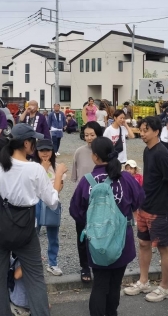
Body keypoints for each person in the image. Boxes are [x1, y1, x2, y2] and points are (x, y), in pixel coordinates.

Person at [0, 123, 67, 316]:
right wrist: (57, 177)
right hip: (25, 232)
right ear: (26, 143)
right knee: (35, 279)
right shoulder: (35, 169)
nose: (35, 144)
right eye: (33, 141)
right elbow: (51, 201)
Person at [70, 137, 145, 316]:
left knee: (100, 284)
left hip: (96, 242)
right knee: (114, 285)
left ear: (95, 157)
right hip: (121, 240)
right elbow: (139, 200)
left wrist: (92, 223)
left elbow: (75, 210)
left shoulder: (87, 181)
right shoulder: (125, 178)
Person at [124, 116, 168, 303]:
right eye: (141, 129)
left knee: (164, 247)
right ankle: (143, 281)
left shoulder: (162, 153)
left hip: (160, 209)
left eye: (146, 130)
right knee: (144, 244)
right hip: (144, 206)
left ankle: (164, 287)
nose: (143, 133)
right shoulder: (148, 151)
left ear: (156, 131)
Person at [71, 121, 104, 282]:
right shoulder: (78, 152)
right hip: (83, 200)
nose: (89, 138)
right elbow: (75, 178)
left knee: (100, 234)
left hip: (102, 202)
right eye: (86, 135)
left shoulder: (105, 152)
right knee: (82, 235)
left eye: (92, 135)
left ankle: (99, 263)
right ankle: (85, 266)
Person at [35, 138, 67, 276]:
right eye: (41, 150)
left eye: (47, 150)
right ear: (37, 152)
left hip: (53, 203)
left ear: (52, 151)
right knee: (32, 235)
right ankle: (33, 263)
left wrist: (54, 173)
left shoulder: (58, 168)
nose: (45, 153)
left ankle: (52, 263)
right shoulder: (32, 167)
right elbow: (33, 188)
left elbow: (57, 189)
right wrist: (43, 169)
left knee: (53, 236)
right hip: (35, 203)